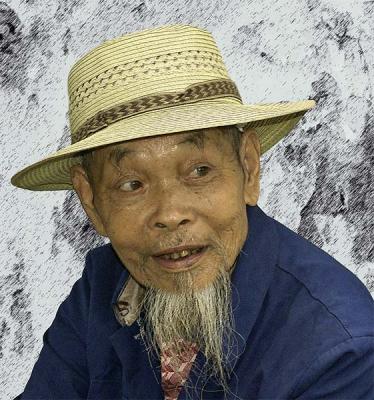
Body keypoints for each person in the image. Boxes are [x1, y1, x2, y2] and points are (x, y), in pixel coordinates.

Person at [11, 24, 373, 400]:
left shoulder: (339, 349)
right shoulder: (104, 284)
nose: (169, 214)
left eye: (199, 171)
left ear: (248, 169)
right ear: (91, 202)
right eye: (131, 184)